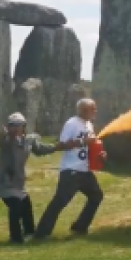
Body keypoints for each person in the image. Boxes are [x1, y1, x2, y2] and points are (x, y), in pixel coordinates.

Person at [0, 113, 80, 244]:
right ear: (8, 127)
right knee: (15, 207)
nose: (16, 128)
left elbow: (40, 149)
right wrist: (5, 134)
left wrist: (60, 146)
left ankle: (29, 232)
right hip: (4, 182)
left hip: (18, 182)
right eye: (12, 125)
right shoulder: (5, 141)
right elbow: (4, 141)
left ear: (24, 127)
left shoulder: (28, 141)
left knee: (26, 205)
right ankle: (15, 238)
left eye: (19, 125)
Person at [34, 99, 107, 240]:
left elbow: (89, 147)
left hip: (85, 171)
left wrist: (100, 155)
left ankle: (80, 227)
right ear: (84, 110)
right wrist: (82, 141)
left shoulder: (89, 125)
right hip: (71, 171)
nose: (95, 112)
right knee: (60, 201)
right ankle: (41, 233)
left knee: (96, 196)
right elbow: (62, 145)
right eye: (93, 109)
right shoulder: (71, 123)